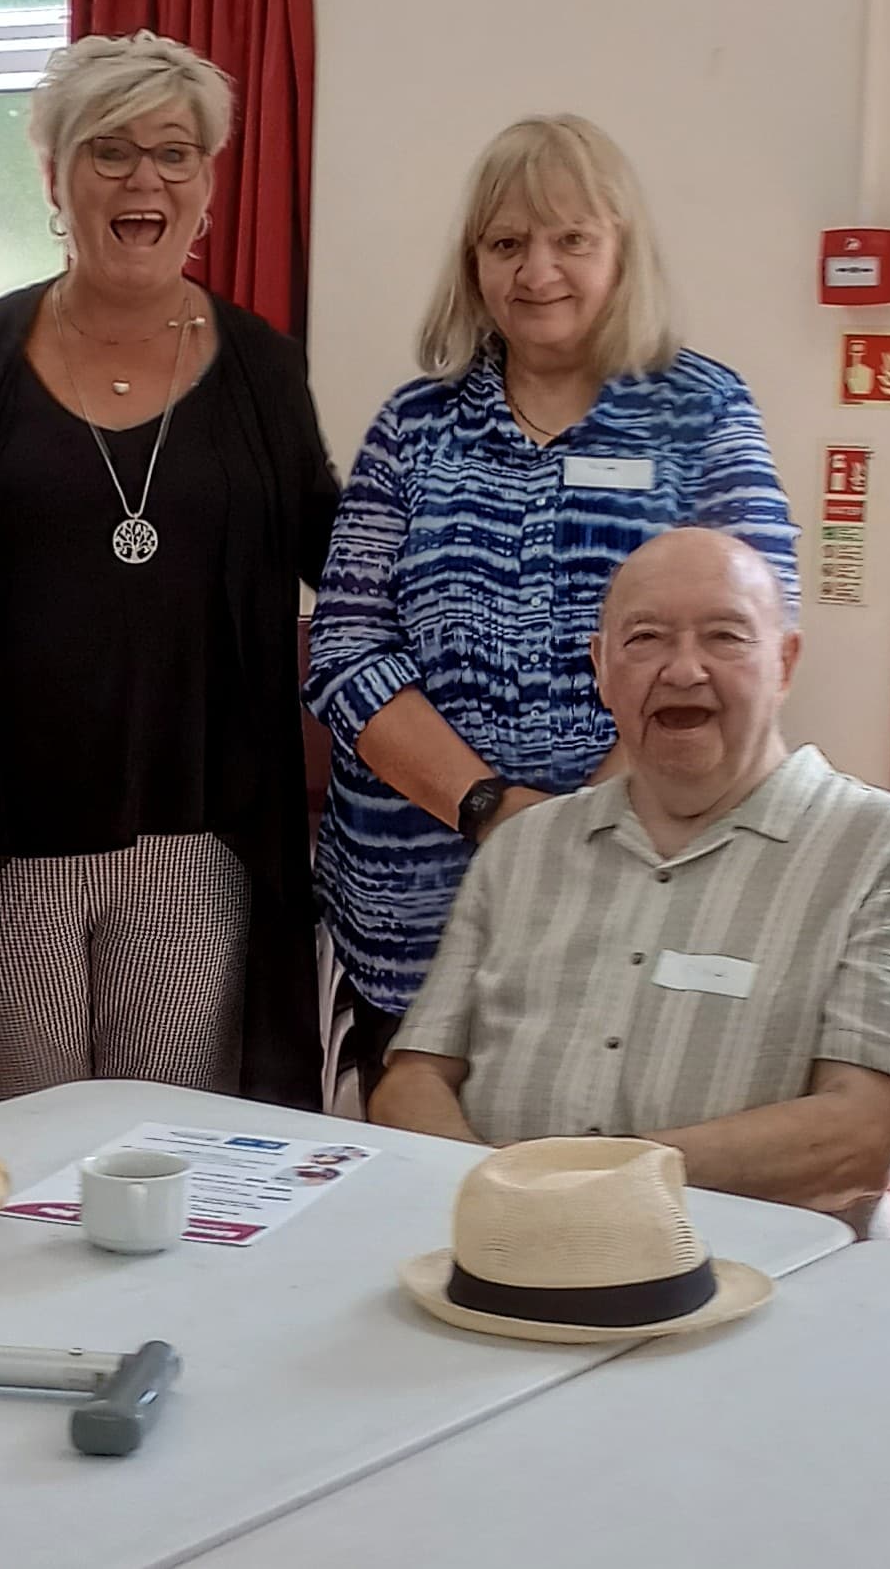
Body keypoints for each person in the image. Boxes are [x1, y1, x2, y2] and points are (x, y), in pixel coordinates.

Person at [0, 33, 340, 1108]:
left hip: (198, 837)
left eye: (175, 153)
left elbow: (346, 563)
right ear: (55, 178)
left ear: (209, 184)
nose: (144, 178)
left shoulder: (264, 371)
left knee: (168, 1147)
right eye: (110, 151)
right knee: (13, 1147)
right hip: (7, 840)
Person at [307, 114, 796, 1098]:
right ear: (472, 262)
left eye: (571, 239)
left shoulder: (700, 411)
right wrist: (491, 808)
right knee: (413, 1175)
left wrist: (591, 824)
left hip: (638, 882)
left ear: (621, 249)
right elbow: (348, 645)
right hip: (413, 903)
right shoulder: (416, 423)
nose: (537, 271)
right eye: (506, 243)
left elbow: (748, 637)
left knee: (596, 1181)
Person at [369, 530, 890, 1235]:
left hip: (763, 1289)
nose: (683, 670)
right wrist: (503, 1206)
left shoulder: (888, 851)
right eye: (645, 638)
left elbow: (857, 1135)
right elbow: (412, 1079)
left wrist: (579, 1190)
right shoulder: (520, 849)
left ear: (784, 662)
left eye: (725, 637)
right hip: (506, 1252)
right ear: (602, 666)